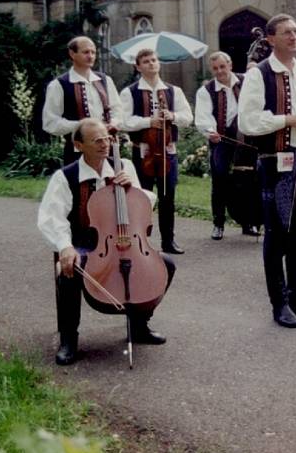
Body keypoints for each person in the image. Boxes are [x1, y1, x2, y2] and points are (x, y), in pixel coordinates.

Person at [37, 119, 176, 365]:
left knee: (166, 264)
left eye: (107, 139)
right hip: (84, 245)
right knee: (69, 268)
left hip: (125, 241)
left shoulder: (124, 166)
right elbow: (51, 217)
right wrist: (65, 246)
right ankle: (69, 338)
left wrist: (132, 188)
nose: (104, 144)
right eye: (97, 140)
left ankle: (139, 324)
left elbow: (144, 206)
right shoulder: (65, 177)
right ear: (79, 145)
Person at [238, 13, 296, 329]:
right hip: (275, 160)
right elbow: (247, 122)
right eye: (287, 32)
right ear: (271, 39)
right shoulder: (258, 74)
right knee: (277, 233)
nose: (294, 36)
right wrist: (288, 120)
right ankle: (280, 304)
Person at [118, 49, 193, 255]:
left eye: (154, 60)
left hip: (168, 152)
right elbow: (123, 121)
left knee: (168, 197)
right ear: (138, 66)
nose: (151, 64)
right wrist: (148, 121)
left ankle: (168, 241)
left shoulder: (173, 90)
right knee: (141, 198)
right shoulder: (129, 92)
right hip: (143, 153)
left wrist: (172, 115)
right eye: (146, 61)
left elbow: (188, 117)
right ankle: (140, 242)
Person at [195, 51, 261, 240]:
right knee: (220, 178)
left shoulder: (246, 81)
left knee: (250, 180)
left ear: (230, 65)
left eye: (223, 67)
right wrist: (210, 131)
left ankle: (249, 222)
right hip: (222, 139)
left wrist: (256, 69)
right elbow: (203, 116)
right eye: (215, 68)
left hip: (247, 139)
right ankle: (218, 223)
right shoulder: (206, 91)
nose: (220, 71)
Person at [42, 36, 122, 165]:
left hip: (108, 148)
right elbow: (50, 122)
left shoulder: (105, 80)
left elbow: (118, 110)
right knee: (81, 184)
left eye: (93, 52)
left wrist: (113, 123)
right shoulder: (59, 84)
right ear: (72, 54)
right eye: (86, 52)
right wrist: (82, 127)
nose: (90, 56)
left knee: (111, 183)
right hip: (77, 151)